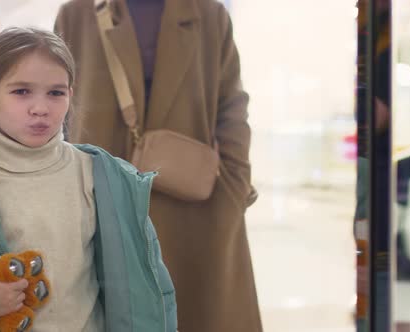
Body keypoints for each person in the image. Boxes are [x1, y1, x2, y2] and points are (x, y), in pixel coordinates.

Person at [0, 27, 177, 332]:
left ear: (71, 94)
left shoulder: (103, 176)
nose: (41, 108)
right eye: (21, 91)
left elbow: (150, 286)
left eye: (56, 93)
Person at [55, 1, 261, 331]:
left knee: (197, 314)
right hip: (105, 205)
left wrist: (233, 189)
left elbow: (233, 107)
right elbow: (58, 106)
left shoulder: (208, 13)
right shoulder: (78, 13)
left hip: (199, 207)